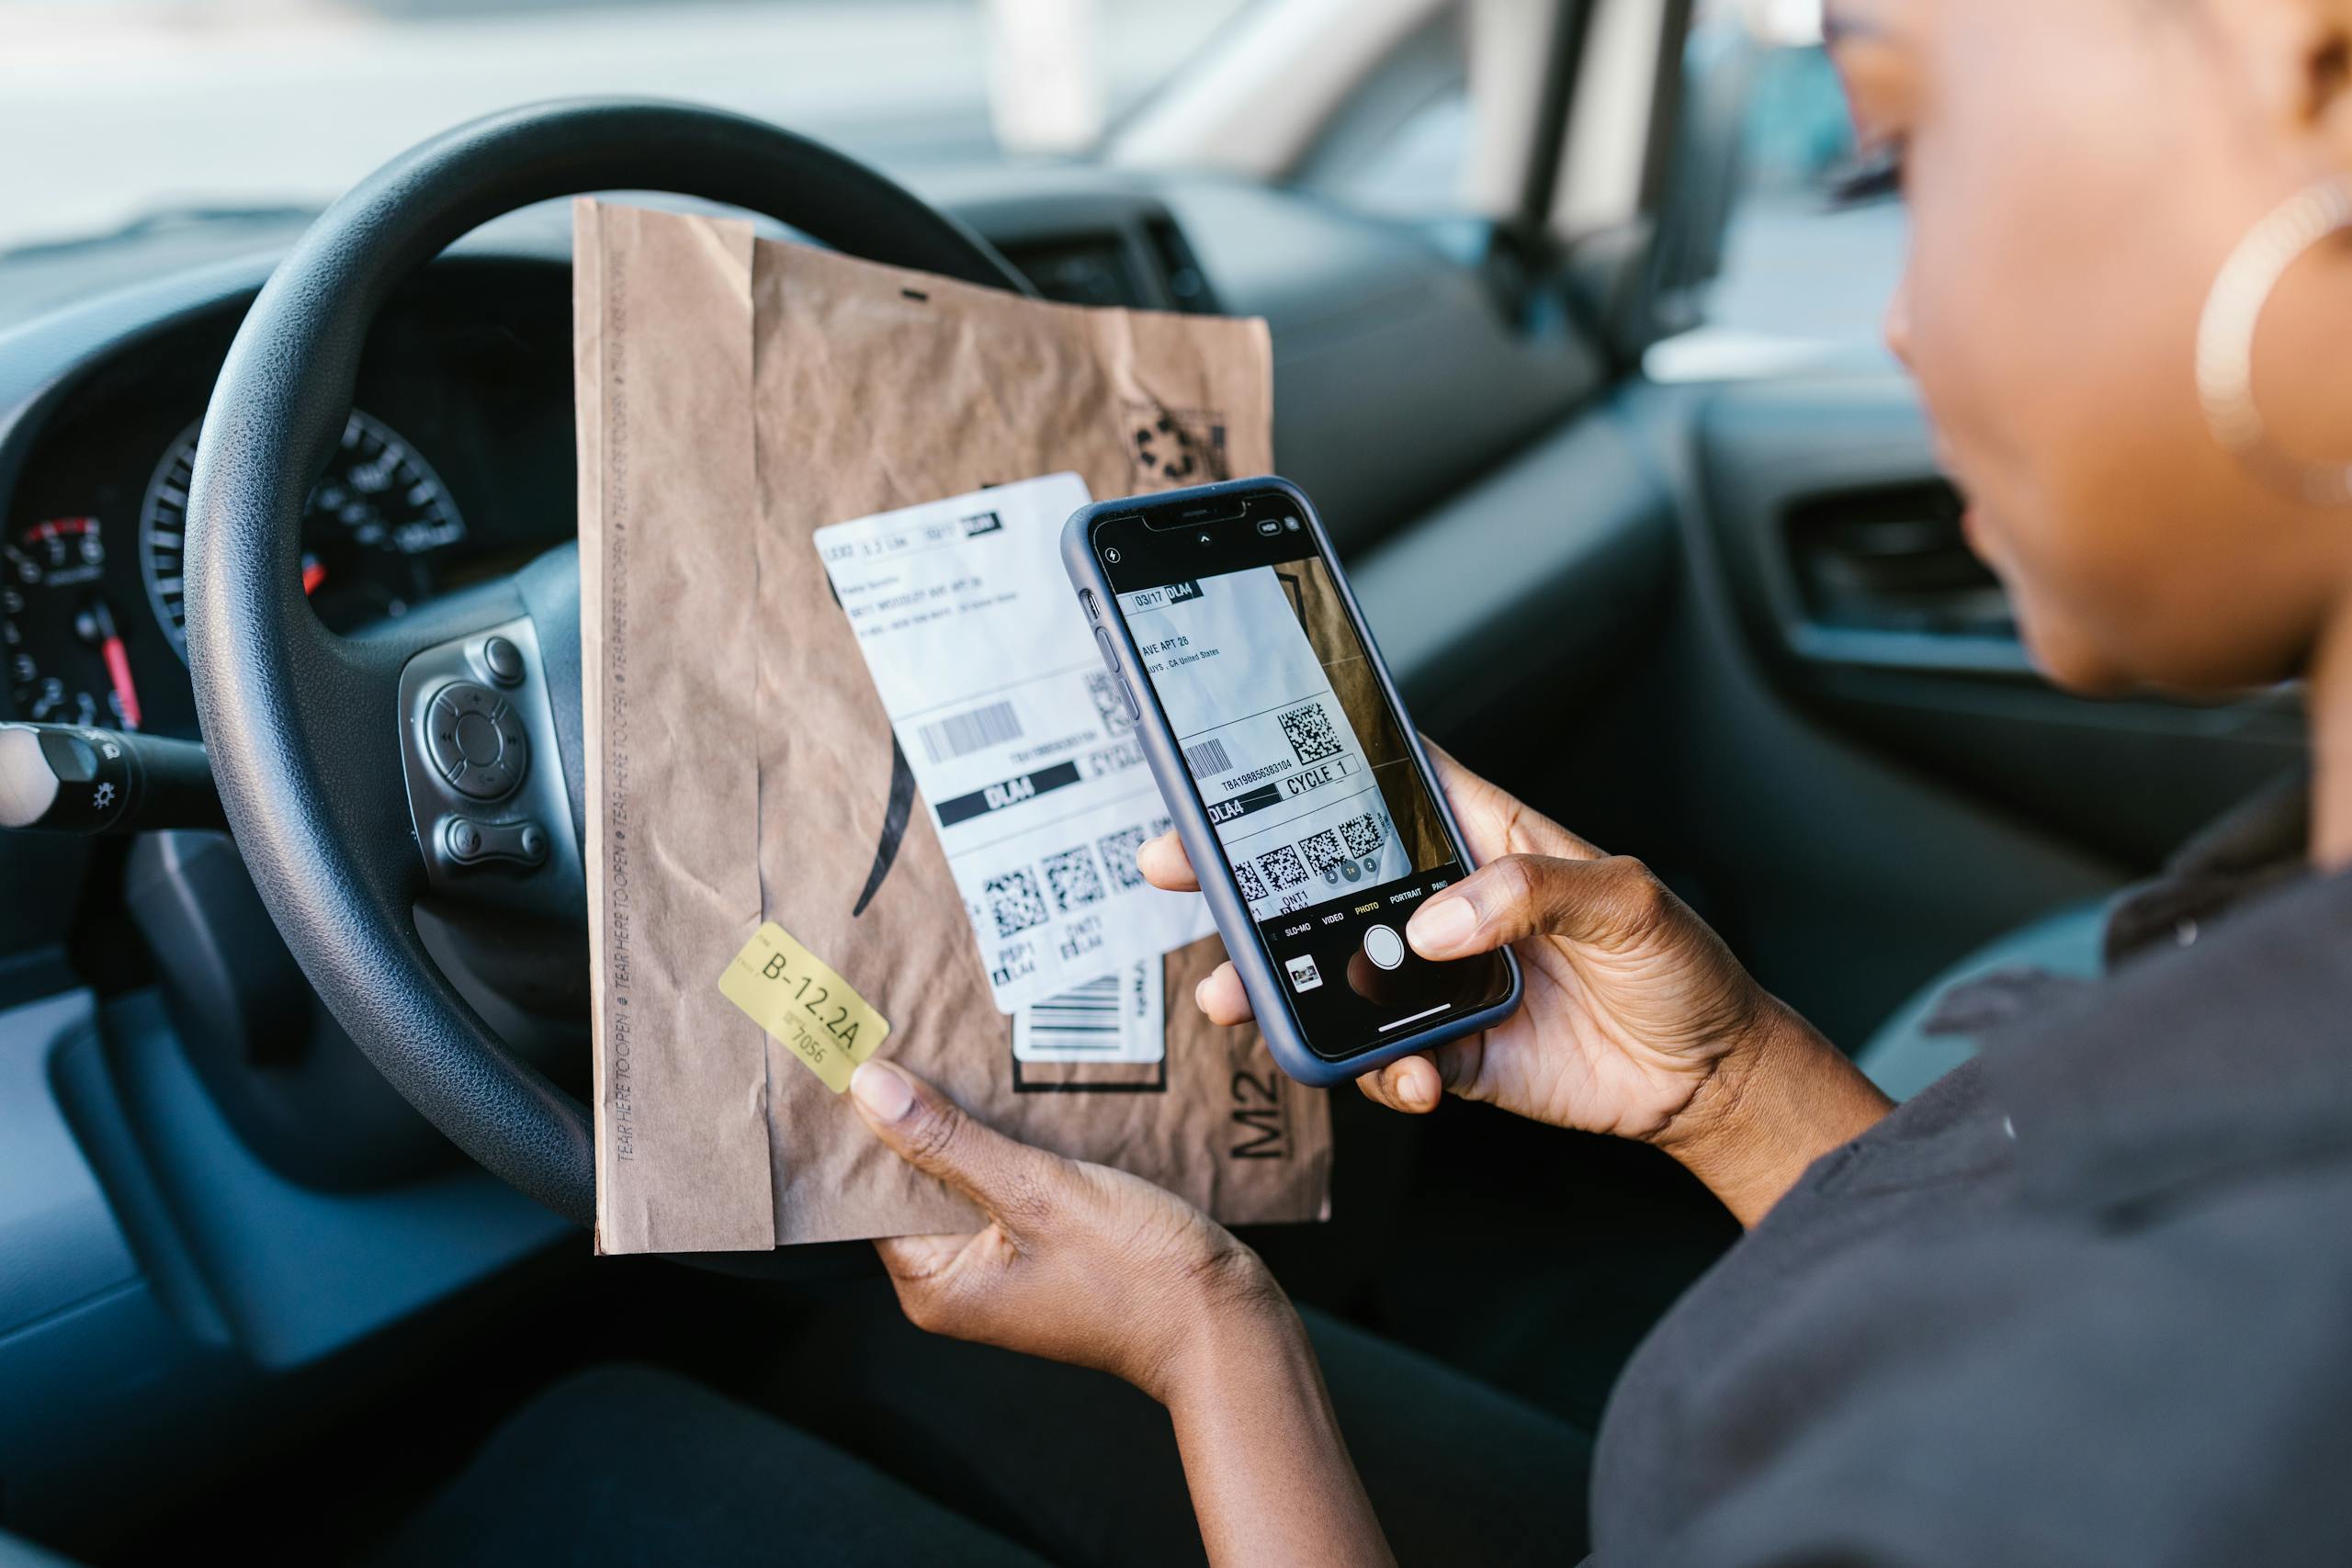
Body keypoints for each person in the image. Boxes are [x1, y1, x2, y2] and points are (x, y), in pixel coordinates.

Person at [391, 0, 2352, 1561]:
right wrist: (1732, 1086)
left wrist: (1213, 1345)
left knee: (581, 1467)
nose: (1903, 310)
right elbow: (2000, 1314)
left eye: (1885, 155)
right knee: (860, 1369)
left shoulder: (2205, 1406)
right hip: (1770, 1428)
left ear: (2302, 57)